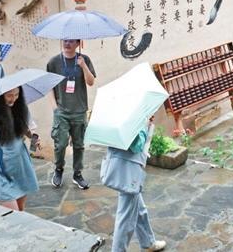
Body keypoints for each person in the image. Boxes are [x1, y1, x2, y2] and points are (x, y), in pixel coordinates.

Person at [100, 121, 166, 252]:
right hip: (128, 167)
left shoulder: (115, 114)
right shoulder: (130, 116)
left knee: (138, 207)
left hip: (122, 164)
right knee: (126, 216)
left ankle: (148, 242)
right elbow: (137, 145)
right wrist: (146, 125)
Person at [0, 86, 40, 211]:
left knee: (20, 210)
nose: (13, 99)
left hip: (20, 163)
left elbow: (26, 129)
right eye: (9, 95)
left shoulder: (20, 107)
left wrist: (33, 137)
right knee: (12, 212)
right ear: (0, 96)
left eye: (16, 94)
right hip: (0, 167)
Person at [47, 39, 96, 189]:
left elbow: (91, 82)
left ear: (78, 44)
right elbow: (49, 86)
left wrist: (83, 66)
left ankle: (77, 174)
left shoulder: (84, 59)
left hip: (79, 111)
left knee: (79, 145)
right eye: (65, 40)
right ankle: (58, 169)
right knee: (60, 144)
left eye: (71, 41)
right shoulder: (54, 62)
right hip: (62, 112)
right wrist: (55, 108)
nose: (67, 43)